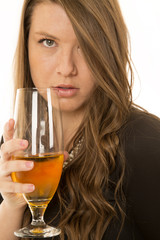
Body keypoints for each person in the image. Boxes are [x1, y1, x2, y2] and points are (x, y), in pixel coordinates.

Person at [0, 0, 160, 239]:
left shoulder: (144, 143)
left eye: (85, 45)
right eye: (49, 42)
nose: (66, 68)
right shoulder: (18, 148)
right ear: (26, 46)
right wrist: (12, 206)